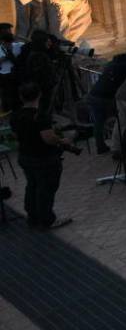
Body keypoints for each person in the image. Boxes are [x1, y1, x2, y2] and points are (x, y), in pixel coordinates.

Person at [13, 82, 74, 229]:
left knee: (32, 186)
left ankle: (33, 216)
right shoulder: (40, 116)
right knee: (45, 190)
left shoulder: (16, 115)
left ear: (22, 97)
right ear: (39, 95)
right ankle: (47, 220)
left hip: (25, 156)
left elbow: (15, 135)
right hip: (43, 158)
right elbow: (48, 138)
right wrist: (62, 140)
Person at [84, 45, 126, 155]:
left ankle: (107, 147)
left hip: (95, 94)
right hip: (108, 97)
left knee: (104, 123)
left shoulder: (115, 62)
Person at [0, 24, 23, 113]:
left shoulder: (18, 45)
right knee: (6, 96)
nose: (9, 32)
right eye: (6, 31)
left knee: (15, 96)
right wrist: (5, 57)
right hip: (4, 76)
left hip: (14, 75)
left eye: (9, 31)